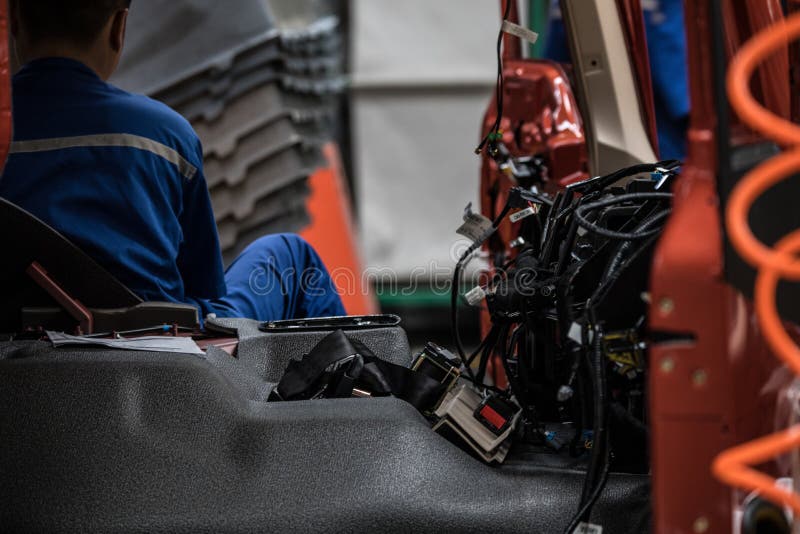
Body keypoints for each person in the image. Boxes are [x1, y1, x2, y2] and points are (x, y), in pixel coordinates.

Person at [0, 0, 346, 322]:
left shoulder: (7, 132)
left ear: (14, 21)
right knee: (290, 255)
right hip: (163, 350)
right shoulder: (164, 135)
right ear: (119, 28)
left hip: (19, 350)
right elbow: (204, 291)